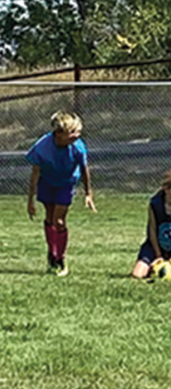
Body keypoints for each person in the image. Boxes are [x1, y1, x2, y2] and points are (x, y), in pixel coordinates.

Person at [26, 110, 96, 275]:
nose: (77, 135)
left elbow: (85, 169)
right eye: (72, 132)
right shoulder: (42, 147)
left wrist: (88, 193)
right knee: (49, 218)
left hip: (66, 183)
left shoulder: (78, 147)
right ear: (58, 134)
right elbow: (35, 174)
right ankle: (52, 253)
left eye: (78, 131)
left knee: (59, 221)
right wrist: (31, 200)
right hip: (47, 183)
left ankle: (60, 259)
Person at [132, 169, 171, 282]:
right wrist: (158, 255)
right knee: (137, 274)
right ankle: (153, 268)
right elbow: (152, 231)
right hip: (156, 245)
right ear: (166, 188)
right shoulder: (155, 204)